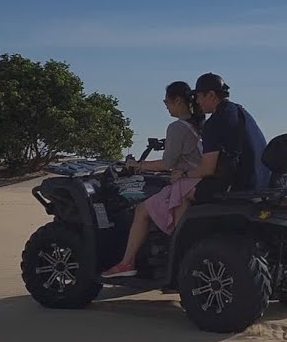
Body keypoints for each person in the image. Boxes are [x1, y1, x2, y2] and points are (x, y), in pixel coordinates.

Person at [101, 81, 205, 279]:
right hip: (199, 180)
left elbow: (166, 164)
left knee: (141, 211)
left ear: (178, 100)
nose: (166, 106)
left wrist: (137, 165)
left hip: (186, 183)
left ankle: (126, 263)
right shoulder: (199, 125)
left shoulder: (177, 127)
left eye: (166, 101)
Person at [176, 72, 269, 202]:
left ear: (211, 95)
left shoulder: (215, 122)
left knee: (180, 192)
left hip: (240, 188)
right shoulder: (240, 111)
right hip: (261, 183)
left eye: (199, 96)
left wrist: (183, 174)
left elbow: (207, 170)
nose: (197, 101)